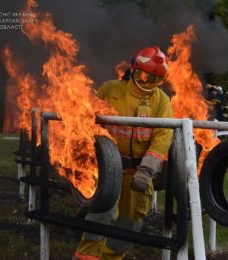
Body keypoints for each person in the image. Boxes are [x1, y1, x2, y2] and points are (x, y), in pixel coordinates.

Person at [73, 46, 173, 260]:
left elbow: (162, 138)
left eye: (154, 79)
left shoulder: (161, 101)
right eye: (142, 75)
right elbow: (87, 124)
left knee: (131, 221)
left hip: (138, 173)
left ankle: (113, 258)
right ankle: (87, 256)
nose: (146, 82)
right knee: (102, 215)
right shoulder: (110, 90)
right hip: (108, 171)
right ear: (133, 69)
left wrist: (146, 171)